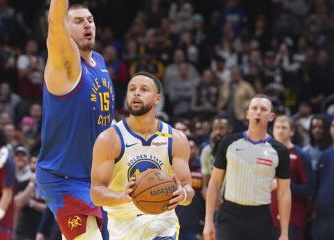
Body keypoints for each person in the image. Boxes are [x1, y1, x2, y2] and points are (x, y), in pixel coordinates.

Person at [35, 1, 115, 239]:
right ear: (65, 29)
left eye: (90, 20)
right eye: (78, 22)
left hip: (94, 178)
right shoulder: (65, 63)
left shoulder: (98, 61)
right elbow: (55, 21)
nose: (87, 25)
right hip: (64, 177)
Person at [90, 72, 194, 240]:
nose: (136, 93)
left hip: (161, 220)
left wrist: (182, 195)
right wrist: (122, 196)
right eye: (132, 89)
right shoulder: (109, 139)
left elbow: (187, 189)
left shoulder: (176, 138)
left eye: (144, 89)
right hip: (123, 224)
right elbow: (96, 193)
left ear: (157, 99)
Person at [203, 94, 291, 240]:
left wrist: (285, 233)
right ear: (247, 114)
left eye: (263, 109)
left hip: (260, 217)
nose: (258, 112)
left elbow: (284, 193)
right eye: (254, 108)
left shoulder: (279, 150)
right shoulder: (229, 142)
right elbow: (215, 183)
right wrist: (208, 222)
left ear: (271, 116)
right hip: (230, 214)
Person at [270, 115, 314, 240]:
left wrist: (282, 185)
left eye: (284, 128)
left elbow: (309, 188)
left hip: (292, 219)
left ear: (292, 131)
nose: (280, 130)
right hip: (268, 219)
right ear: (273, 130)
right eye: (277, 127)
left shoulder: (300, 156)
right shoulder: (265, 153)